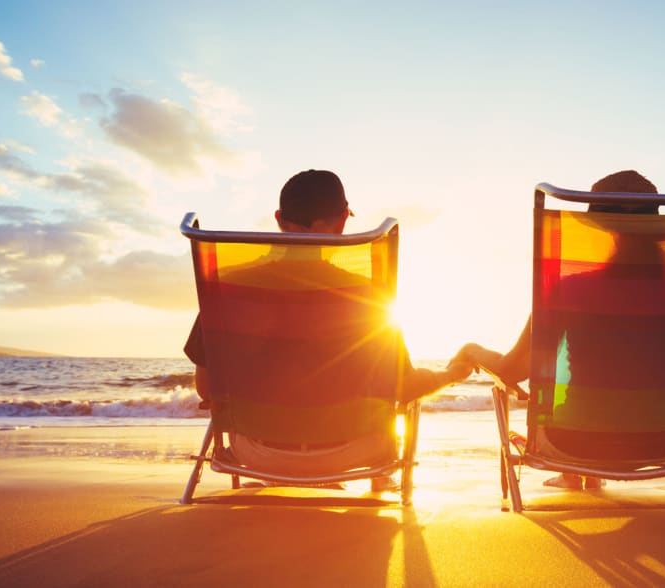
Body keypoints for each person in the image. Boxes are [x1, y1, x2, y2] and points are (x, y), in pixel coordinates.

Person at [185, 169, 473, 491]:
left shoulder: (230, 290)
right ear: (341, 221)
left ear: (279, 218)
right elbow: (404, 388)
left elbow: (207, 388)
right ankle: (378, 482)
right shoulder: (369, 297)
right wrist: (451, 374)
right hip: (353, 453)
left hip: (254, 453)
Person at [454, 170, 665, 490]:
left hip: (573, 443)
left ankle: (576, 471)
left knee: (580, 404)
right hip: (661, 442)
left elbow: (513, 370)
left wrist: (473, 351)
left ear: (605, 231)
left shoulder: (571, 289)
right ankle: (583, 475)